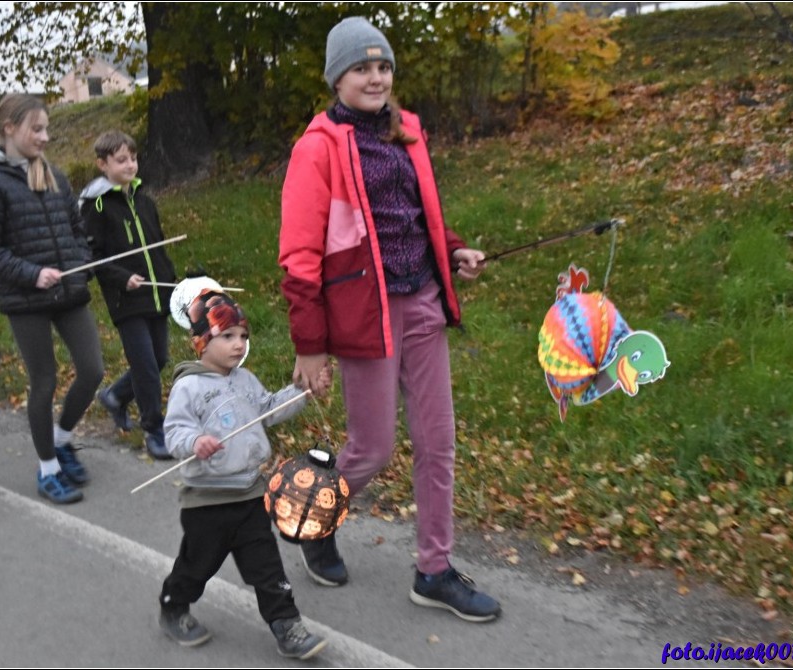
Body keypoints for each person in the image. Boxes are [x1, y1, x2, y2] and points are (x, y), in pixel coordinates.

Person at [278, 17, 501, 623]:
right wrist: (310, 345)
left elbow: (420, 210)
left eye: (382, 67)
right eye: (361, 68)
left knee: (438, 444)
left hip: (423, 300)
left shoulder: (408, 133)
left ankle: (434, 570)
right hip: (364, 312)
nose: (375, 78)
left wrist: (452, 247)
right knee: (372, 448)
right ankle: (314, 519)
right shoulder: (317, 147)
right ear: (337, 78)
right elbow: (300, 256)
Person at [157, 290, 328, 659]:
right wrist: (196, 440)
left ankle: (287, 626)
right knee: (196, 566)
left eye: (243, 337)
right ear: (201, 341)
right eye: (228, 336)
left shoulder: (245, 380)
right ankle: (173, 604)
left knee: (267, 568)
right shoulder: (188, 387)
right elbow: (174, 433)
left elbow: (267, 409)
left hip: (249, 494)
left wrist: (303, 391)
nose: (238, 345)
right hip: (207, 503)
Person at [0, 93, 104, 504]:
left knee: (93, 369)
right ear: (10, 128)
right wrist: (32, 274)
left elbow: (78, 230)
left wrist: (83, 264)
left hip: (69, 291)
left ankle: (62, 440)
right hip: (26, 299)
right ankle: (48, 469)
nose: (45, 137)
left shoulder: (56, 176)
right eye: (37, 129)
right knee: (43, 381)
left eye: (47, 128)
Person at [80, 130, 177, 460]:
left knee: (160, 357)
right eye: (121, 160)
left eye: (133, 158)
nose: (130, 165)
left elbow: (158, 247)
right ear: (102, 164)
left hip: (156, 295)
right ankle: (154, 429)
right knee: (146, 365)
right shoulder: (97, 206)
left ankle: (115, 396)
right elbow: (91, 257)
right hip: (127, 299)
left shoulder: (144, 201)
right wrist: (122, 279)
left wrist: (173, 283)